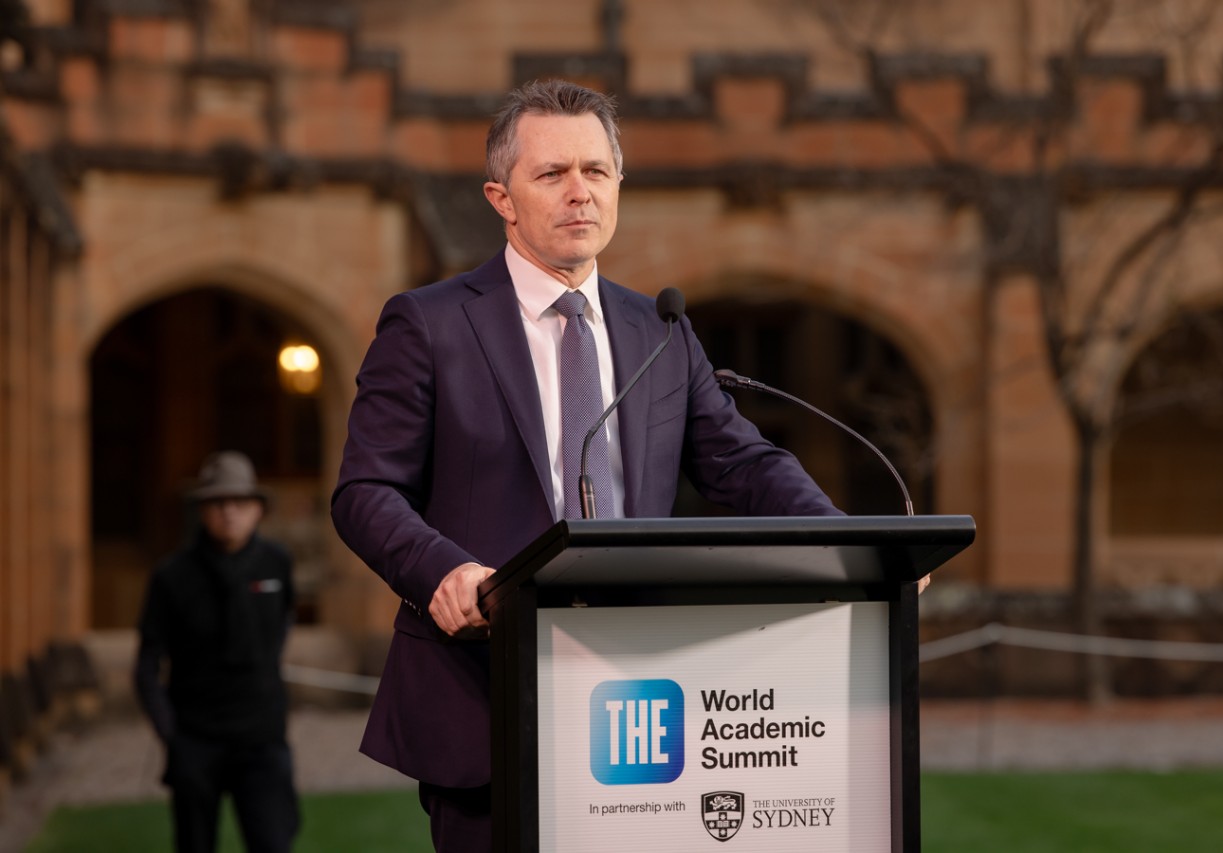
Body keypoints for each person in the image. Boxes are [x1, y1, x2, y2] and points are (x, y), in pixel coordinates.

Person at [330, 78, 842, 853]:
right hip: (489, 692)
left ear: (619, 185)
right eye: (553, 174)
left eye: (596, 172)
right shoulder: (430, 324)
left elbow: (741, 461)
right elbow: (365, 489)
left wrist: (850, 538)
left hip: (646, 701)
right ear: (501, 197)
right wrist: (442, 571)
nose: (580, 193)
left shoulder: (660, 329)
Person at [135, 450, 300, 853]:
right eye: (217, 503)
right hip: (196, 738)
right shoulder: (172, 576)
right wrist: (170, 732)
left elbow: (283, 624)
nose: (229, 512)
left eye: (240, 503)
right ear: (201, 511)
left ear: (258, 509)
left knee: (275, 841)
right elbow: (146, 662)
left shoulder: (277, 563)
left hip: (262, 738)